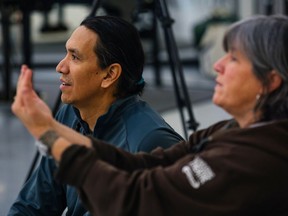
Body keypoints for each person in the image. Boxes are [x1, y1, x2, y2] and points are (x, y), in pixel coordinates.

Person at [11, 14, 288, 215]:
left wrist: (47, 134)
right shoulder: (231, 130)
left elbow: (138, 197)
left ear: (270, 81)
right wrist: (52, 130)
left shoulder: (257, 157)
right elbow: (146, 164)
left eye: (234, 58)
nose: (218, 65)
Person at [8, 16, 184, 215]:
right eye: (66, 53)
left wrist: (44, 130)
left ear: (109, 75)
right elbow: (34, 204)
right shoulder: (70, 114)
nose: (61, 67)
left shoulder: (151, 140)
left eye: (75, 57)